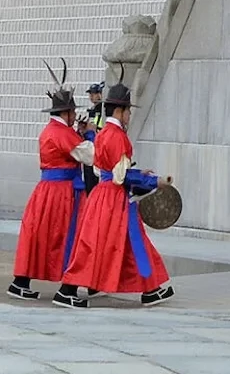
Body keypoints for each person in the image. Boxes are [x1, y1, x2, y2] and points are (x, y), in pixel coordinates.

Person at [54, 75, 174, 308]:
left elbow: (105, 169)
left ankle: (150, 288)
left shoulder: (102, 133)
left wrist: (138, 173)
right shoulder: (118, 137)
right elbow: (122, 176)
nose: (129, 115)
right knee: (121, 242)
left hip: (102, 195)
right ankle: (67, 289)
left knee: (113, 243)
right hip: (114, 198)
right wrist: (153, 181)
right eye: (128, 111)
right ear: (119, 111)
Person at [8, 62, 93, 300]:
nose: (75, 116)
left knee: (38, 235)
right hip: (63, 193)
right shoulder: (62, 133)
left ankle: (21, 281)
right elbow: (88, 155)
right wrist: (90, 135)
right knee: (69, 234)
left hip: (47, 190)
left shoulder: (50, 130)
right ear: (65, 113)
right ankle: (69, 286)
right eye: (73, 112)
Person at [81, 82, 104, 194]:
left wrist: (94, 130)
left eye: (94, 93)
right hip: (89, 147)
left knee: (93, 181)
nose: (91, 96)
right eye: (90, 94)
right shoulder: (93, 110)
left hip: (96, 148)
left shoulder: (102, 110)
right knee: (88, 181)